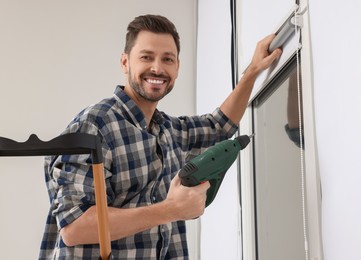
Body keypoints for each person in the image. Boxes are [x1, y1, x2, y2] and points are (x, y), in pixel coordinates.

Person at [39, 14, 282, 259]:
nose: (157, 68)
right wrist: (171, 209)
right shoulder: (94, 127)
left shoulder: (169, 131)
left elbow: (219, 126)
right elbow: (75, 226)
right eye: (146, 57)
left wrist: (252, 71)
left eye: (168, 59)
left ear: (177, 68)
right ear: (125, 62)